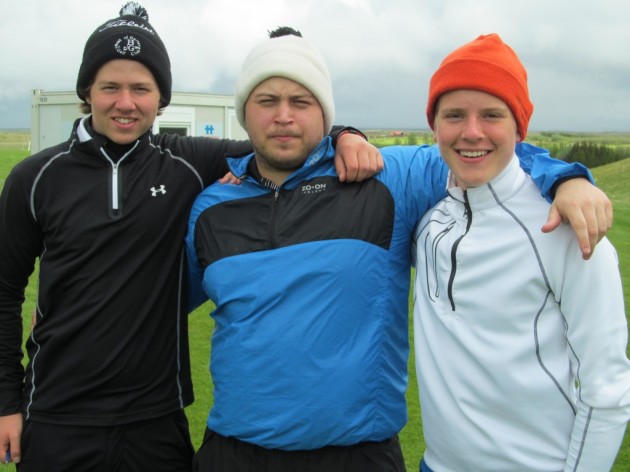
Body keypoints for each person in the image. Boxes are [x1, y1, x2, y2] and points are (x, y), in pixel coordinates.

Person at [185, 27, 614, 472]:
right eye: (267, 101)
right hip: (232, 454)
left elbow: (483, 148)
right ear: (244, 112)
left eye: (301, 102)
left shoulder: (387, 178)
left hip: (357, 457)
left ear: (326, 113)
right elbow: (163, 304)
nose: (283, 116)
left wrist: (567, 178)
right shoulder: (210, 207)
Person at [0, 4, 383, 471]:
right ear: (87, 92)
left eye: (142, 89)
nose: (126, 103)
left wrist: (345, 135)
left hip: (157, 419)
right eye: (110, 87)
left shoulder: (185, 163)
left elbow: (280, 141)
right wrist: (6, 403)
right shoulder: (35, 178)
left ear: (161, 97)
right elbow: (4, 292)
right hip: (56, 415)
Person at [413, 33, 630, 472]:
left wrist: (570, 179)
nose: (471, 132)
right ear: (435, 126)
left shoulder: (568, 230)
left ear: (519, 128)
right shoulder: (429, 219)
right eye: (454, 115)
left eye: (492, 114)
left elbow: (607, 391)